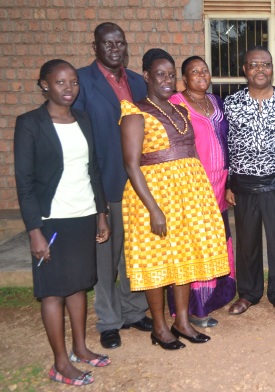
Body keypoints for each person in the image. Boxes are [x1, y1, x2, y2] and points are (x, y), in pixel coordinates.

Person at [120, 48, 230, 350]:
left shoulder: (181, 111)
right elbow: (131, 164)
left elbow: (192, 155)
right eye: (160, 74)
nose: (167, 80)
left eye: (171, 74)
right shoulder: (135, 111)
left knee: (185, 257)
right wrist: (153, 209)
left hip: (188, 196)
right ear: (147, 76)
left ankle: (182, 321)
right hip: (152, 198)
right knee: (156, 262)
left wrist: (201, 198)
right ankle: (159, 327)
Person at [15, 59, 111, 386]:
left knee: (79, 284)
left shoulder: (83, 119)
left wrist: (100, 214)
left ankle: (81, 349)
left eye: (73, 82)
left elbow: (93, 170)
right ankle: (60, 364)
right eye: (60, 82)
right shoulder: (30, 124)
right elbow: (24, 183)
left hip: (82, 215)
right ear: (44, 84)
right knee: (54, 292)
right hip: (51, 219)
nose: (69, 88)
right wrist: (34, 232)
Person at [73, 22, 151, 350]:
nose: (115, 48)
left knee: (135, 253)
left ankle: (133, 310)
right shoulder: (83, 82)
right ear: (95, 47)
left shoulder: (136, 82)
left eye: (120, 42)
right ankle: (108, 320)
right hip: (104, 184)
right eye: (108, 43)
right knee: (106, 257)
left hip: (139, 186)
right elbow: (80, 139)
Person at [223, 47, 275, 319]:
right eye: (254, 65)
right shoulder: (231, 103)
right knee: (247, 242)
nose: (260, 69)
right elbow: (226, 145)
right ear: (245, 69)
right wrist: (229, 183)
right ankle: (248, 294)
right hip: (244, 185)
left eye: (265, 64)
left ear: (272, 68)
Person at [167, 56, 236, 327]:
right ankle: (194, 309)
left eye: (205, 71)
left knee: (216, 241)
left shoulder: (216, 102)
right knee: (195, 244)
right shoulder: (175, 104)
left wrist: (230, 181)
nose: (201, 75)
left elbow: (228, 141)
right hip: (192, 186)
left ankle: (212, 298)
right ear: (184, 78)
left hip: (219, 184)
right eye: (194, 71)